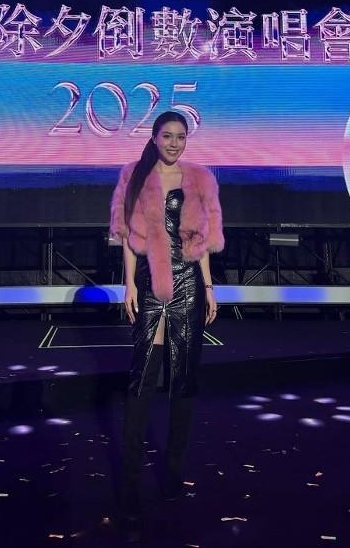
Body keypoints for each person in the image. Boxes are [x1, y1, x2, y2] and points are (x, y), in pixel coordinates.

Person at [109, 110, 224, 536]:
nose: (174, 143)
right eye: (167, 135)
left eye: (181, 136)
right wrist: (128, 284)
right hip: (150, 282)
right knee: (141, 379)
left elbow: (202, 241)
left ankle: (173, 474)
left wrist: (209, 287)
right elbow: (126, 236)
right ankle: (130, 485)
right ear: (155, 137)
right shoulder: (134, 175)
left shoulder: (200, 178)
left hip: (189, 285)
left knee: (183, 380)